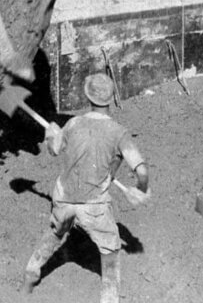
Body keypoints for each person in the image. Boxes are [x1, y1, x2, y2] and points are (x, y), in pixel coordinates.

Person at [22, 73, 150, 303]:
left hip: (63, 199)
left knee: (55, 232)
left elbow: (53, 150)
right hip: (93, 206)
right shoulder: (118, 133)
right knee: (110, 247)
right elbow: (141, 170)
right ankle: (110, 296)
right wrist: (141, 188)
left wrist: (51, 134)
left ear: (88, 97)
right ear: (111, 99)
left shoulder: (73, 123)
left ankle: (32, 271)